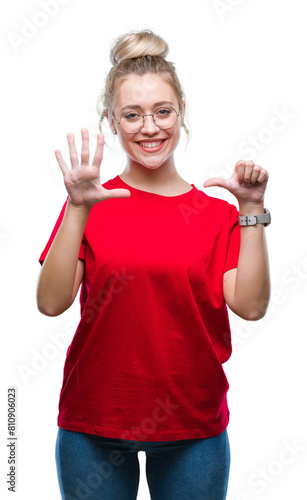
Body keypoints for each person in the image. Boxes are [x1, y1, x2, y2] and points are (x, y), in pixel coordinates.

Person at [36, 29, 270, 500]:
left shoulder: (218, 215)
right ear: (112, 120)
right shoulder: (90, 204)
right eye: (132, 114)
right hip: (93, 421)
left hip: (193, 426)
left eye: (163, 111)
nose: (149, 127)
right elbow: (50, 303)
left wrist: (251, 212)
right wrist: (77, 208)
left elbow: (251, 306)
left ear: (180, 114)